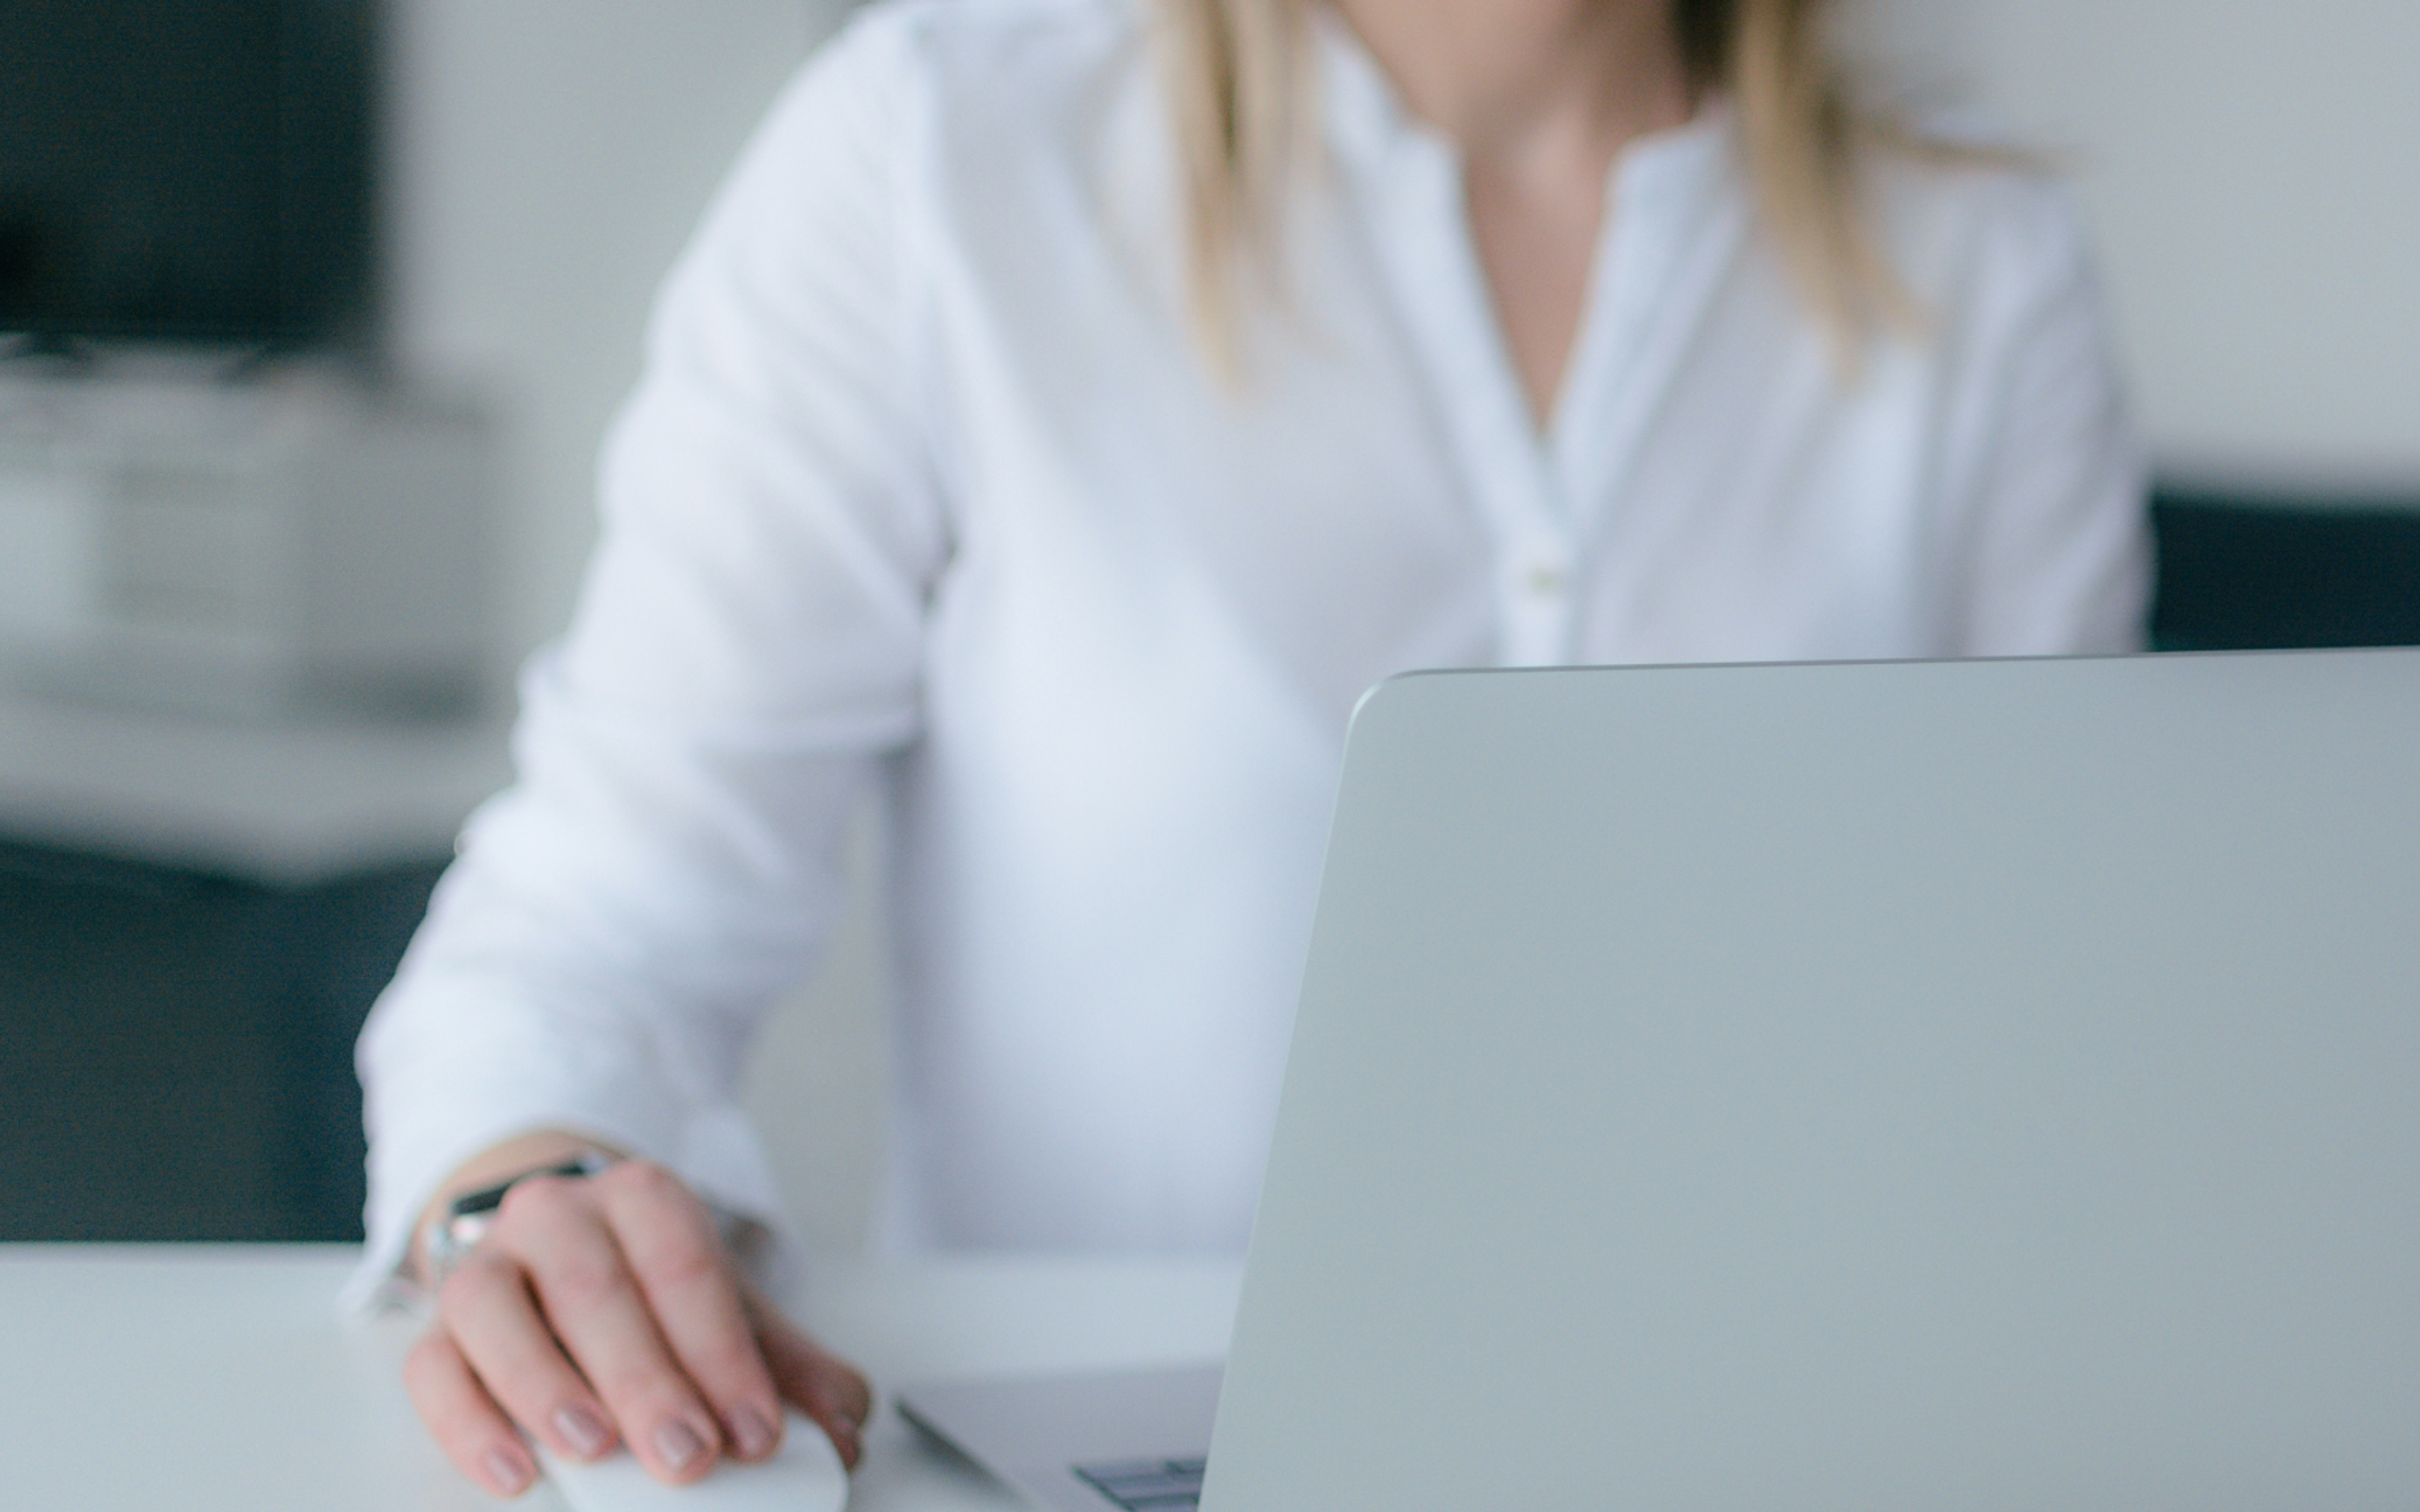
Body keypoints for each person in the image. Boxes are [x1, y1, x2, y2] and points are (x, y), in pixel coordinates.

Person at [354, 0, 2150, 1496]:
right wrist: (530, 1195)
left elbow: (2058, 1038)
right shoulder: (939, 158)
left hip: (1791, 1453)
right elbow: (594, 926)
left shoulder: (1980, 266)